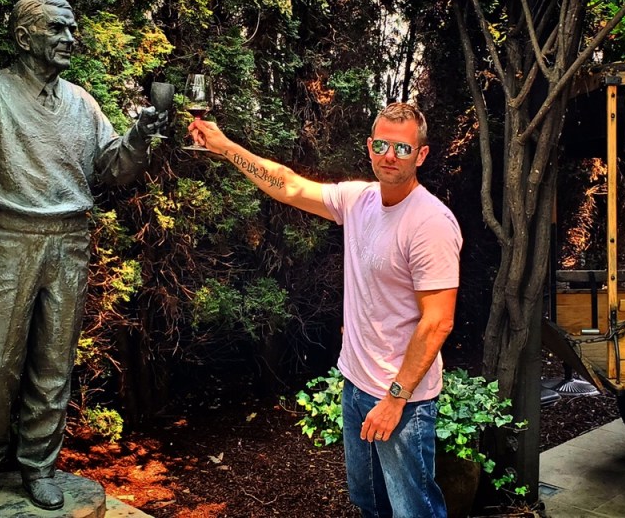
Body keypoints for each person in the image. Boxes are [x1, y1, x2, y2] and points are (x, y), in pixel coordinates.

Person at [0, 0, 166, 511]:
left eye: (72, 28)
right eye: (57, 29)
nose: (70, 38)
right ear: (23, 37)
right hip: (6, 239)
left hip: (69, 243)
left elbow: (112, 168)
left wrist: (138, 137)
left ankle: (38, 466)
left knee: (54, 364)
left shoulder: (82, 102)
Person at [190, 103, 461, 517]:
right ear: (370, 147)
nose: (390, 156)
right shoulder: (359, 200)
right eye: (382, 145)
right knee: (370, 503)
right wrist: (225, 146)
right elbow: (289, 185)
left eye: (403, 148)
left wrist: (395, 399)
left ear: (421, 155)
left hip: (402, 402)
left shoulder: (431, 223)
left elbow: (438, 321)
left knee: (414, 511)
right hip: (356, 385)